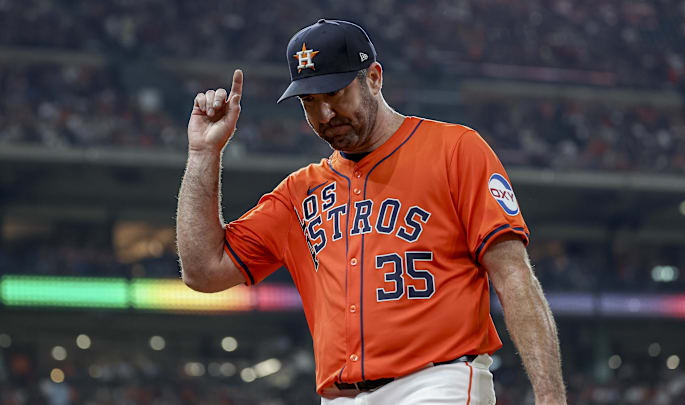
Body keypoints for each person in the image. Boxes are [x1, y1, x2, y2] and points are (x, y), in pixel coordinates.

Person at [177, 19, 566, 404]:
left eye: (336, 93)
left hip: (436, 383)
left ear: (375, 78)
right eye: (310, 101)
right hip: (338, 397)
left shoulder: (455, 150)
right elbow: (203, 270)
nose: (326, 114)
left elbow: (513, 273)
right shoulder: (299, 192)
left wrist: (550, 396)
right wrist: (203, 154)